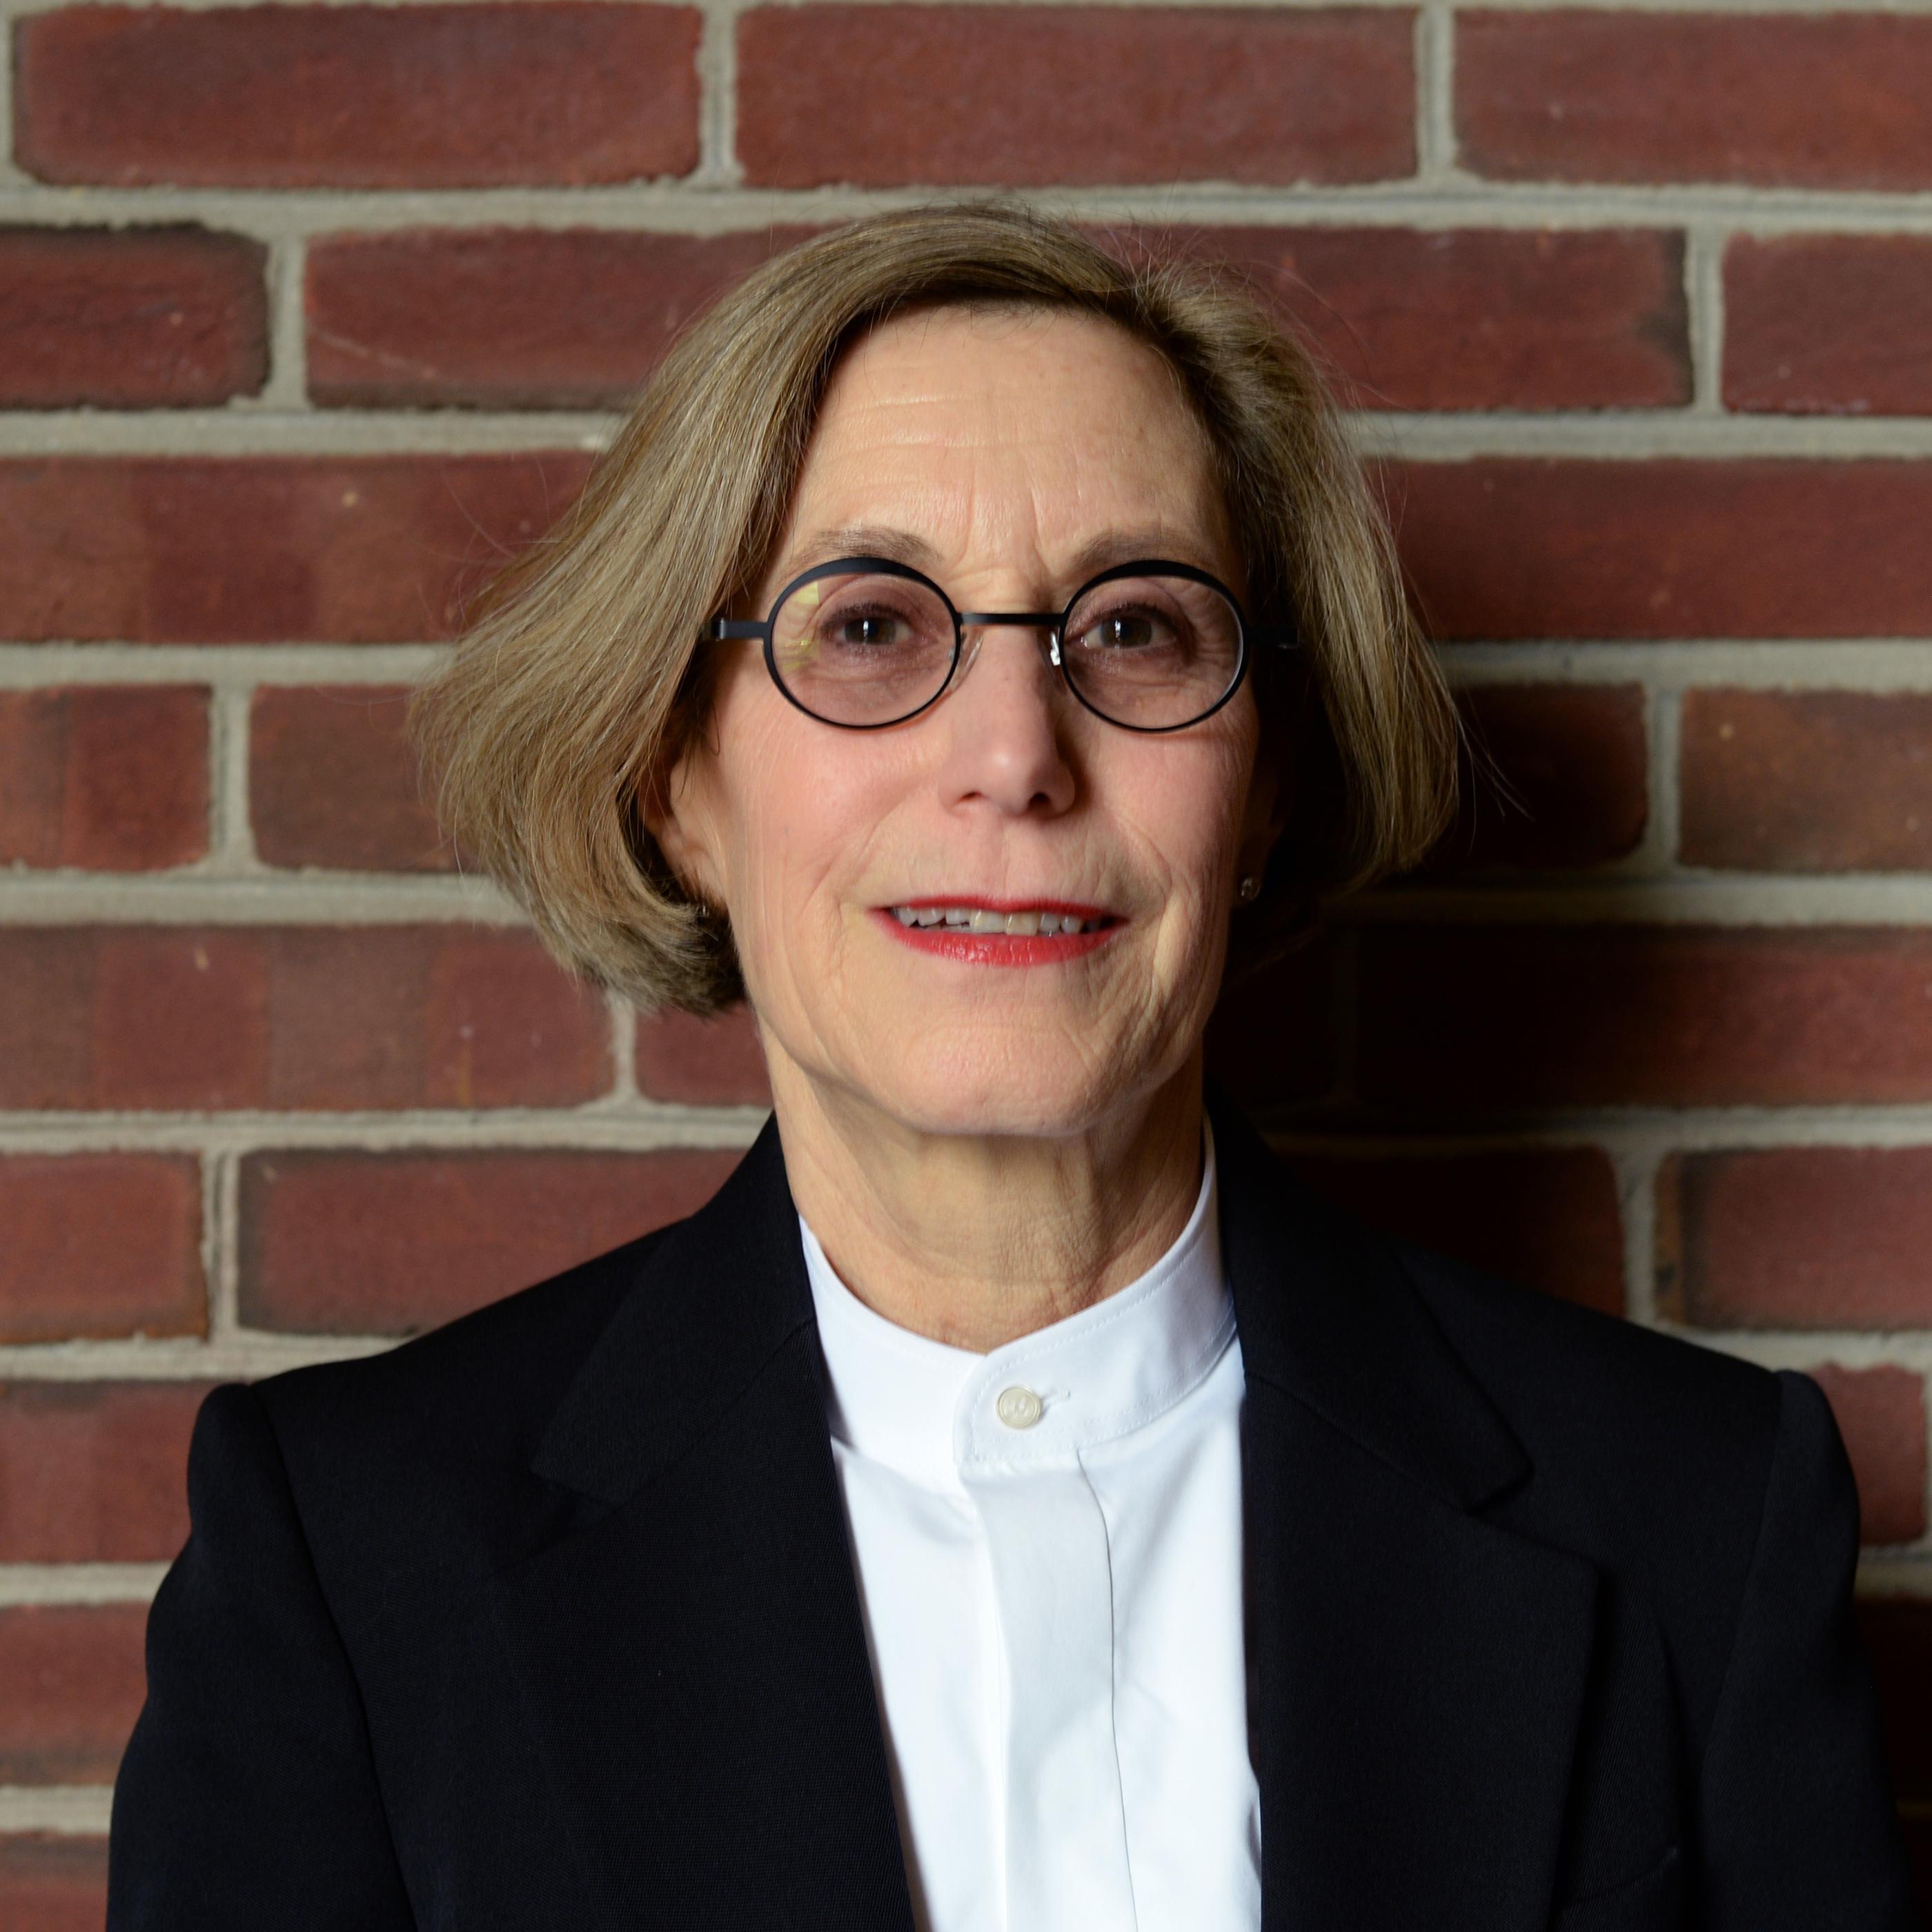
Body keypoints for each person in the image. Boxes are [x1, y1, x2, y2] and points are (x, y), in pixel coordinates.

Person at [107, 201, 1915, 1931]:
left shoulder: (1697, 1515)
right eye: (871, 626)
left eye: (1134, 628)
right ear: (676, 781)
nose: (1011, 755)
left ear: (1266, 783)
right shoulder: (354, 1559)